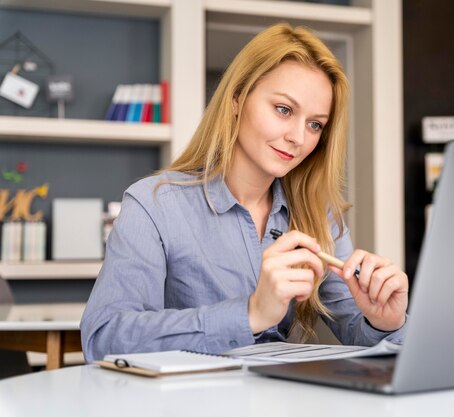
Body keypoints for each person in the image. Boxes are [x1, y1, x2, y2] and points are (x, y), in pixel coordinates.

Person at [80, 23, 408, 362]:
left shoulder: (316, 215)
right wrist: (250, 314)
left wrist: (383, 321)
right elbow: (104, 338)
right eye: (284, 109)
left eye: (315, 125)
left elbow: (360, 332)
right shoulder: (154, 204)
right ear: (237, 97)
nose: (298, 137)